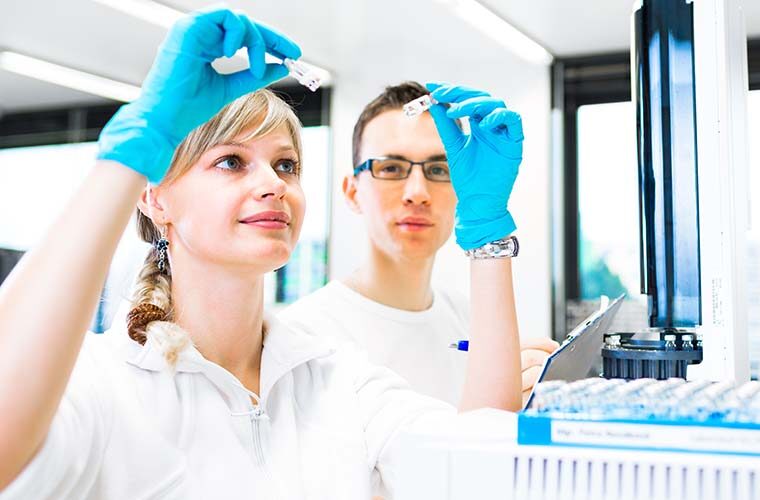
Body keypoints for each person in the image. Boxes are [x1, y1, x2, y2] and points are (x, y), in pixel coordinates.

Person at [0, 8, 521, 499]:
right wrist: (127, 157)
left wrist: (487, 236)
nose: (273, 183)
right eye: (230, 161)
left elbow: (479, 471)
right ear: (156, 197)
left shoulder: (335, 377)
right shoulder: (106, 386)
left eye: (286, 165)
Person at [281, 82, 559, 407]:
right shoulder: (304, 336)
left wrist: (522, 402)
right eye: (391, 168)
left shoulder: (468, 315)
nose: (417, 192)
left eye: (439, 169)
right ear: (352, 192)